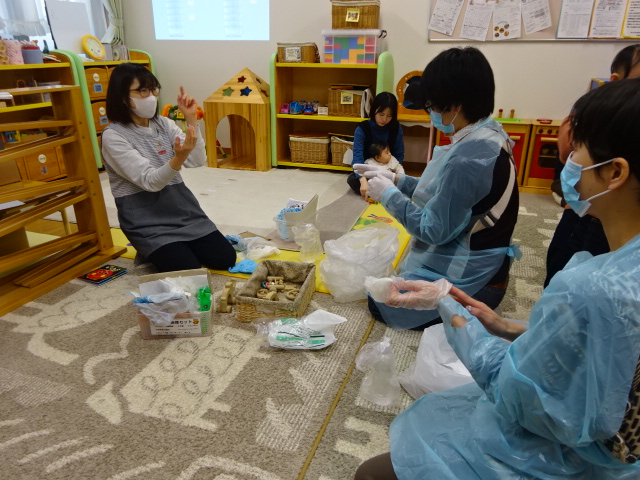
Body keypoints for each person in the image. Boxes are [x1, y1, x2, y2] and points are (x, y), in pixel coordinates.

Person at [355, 77, 640, 480]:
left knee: (373, 472)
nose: (569, 160)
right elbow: (591, 352)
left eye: (578, 148)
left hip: (569, 461)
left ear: (615, 172)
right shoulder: (491, 140)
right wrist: (504, 326)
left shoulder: (588, 290)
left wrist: (446, 304)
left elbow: (517, 392)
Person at [355, 47, 519, 330]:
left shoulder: (468, 160)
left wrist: (388, 195)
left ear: (455, 105)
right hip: (486, 261)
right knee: (395, 278)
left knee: (381, 301)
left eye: (432, 104)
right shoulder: (487, 136)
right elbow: (443, 192)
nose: (430, 111)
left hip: (475, 277)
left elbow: (433, 230)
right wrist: (397, 180)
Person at [101, 63, 236, 273]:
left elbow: (196, 160)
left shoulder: (164, 124)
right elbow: (150, 182)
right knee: (187, 268)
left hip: (182, 211)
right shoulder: (114, 136)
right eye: (142, 91)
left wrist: (191, 119)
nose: (151, 97)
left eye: (153, 89)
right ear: (122, 97)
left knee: (225, 259)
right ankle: (152, 248)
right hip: (145, 219)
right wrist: (178, 158)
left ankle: (172, 247)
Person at [544, 44, 640, 287]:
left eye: (578, 150)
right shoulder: (592, 120)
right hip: (588, 216)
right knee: (563, 265)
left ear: (616, 172)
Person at [347, 92, 405, 199]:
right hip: (368, 170)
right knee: (352, 179)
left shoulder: (396, 128)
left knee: (403, 181)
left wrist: (395, 172)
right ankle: (381, 189)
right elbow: (357, 157)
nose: (384, 119)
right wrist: (362, 180)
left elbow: (399, 154)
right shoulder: (362, 128)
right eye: (381, 114)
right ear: (374, 110)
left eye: (389, 116)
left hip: (388, 169)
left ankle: (379, 189)